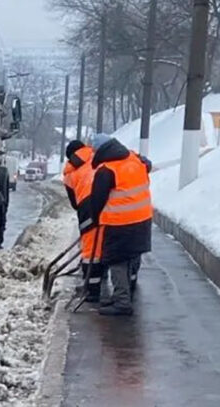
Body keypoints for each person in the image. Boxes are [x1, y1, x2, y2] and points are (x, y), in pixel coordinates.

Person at [88, 133, 153, 316]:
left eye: (94, 151)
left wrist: (95, 220)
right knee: (131, 256)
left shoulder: (106, 170)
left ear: (101, 150)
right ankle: (122, 295)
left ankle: (122, 302)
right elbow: (147, 164)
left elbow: (97, 200)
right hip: (143, 219)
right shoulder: (133, 159)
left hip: (120, 223)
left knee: (116, 260)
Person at [63, 140, 105, 303]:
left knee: (90, 251)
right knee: (104, 244)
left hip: (87, 205)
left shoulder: (69, 173)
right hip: (110, 202)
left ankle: (92, 290)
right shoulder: (98, 155)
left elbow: (74, 203)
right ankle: (104, 278)